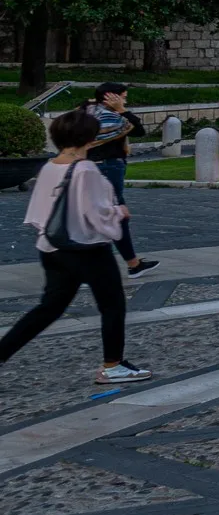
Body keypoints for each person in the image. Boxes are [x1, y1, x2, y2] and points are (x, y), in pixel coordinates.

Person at [0, 109, 153, 385]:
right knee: (112, 305)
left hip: (51, 246)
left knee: (48, 308)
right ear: (90, 138)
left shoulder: (50, 165)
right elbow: (96, 214)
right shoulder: (86, 170)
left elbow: (38, 212)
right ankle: (112, 365)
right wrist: (119, 213)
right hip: (87, 248)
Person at [86, 84, 159, 277]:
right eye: (123, 97)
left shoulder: (88, 111)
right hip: (108, 166)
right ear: (111, 97)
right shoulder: (112, 117)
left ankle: (131, 263)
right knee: (116, 215)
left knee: (107, 215)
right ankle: (128, 265)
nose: (125, 101)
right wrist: (121, 110)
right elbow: (138, 129)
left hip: (94, 166)